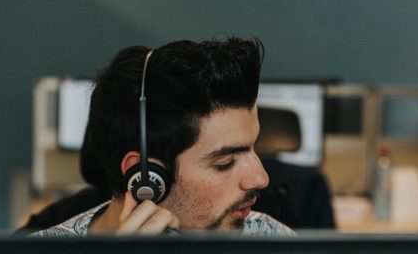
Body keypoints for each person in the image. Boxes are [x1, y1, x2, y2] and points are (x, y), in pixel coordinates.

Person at [32, 37, 294, 237]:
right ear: (146, 176)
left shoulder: (271, 240)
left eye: (253, 149)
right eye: (224, 163)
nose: (261, 178)